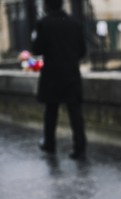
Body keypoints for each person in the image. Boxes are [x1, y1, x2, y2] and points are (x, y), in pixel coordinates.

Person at [32, 0, 87, 159]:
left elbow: (37, 49)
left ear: (47, 5)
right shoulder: (74, 23)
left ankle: (50, 143)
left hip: (52, 75)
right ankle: (80, 146)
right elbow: (82, 51)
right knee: (75, 112)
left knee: (51, 111)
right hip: (71, 74)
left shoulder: (43, 23)